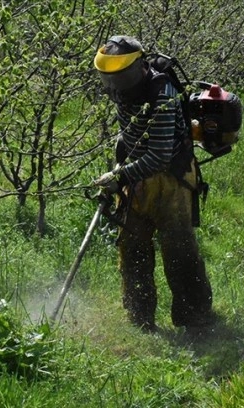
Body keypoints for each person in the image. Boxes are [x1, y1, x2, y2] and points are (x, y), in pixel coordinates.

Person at [92, 35, 215, 334]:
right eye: (110, 79)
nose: (114, 86)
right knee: (132, 247)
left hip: (171, 178)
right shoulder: (123, 94)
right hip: (136, 176)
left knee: (179, 250)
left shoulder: (163, 94)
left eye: (119, 78)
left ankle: (195, 318)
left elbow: (158, 155)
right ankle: (140, 318)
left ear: (134, 70)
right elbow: (131, 136)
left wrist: (119, 177)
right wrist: (120, 168)